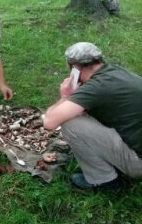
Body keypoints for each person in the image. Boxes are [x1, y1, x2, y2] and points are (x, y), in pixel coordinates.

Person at [43, 42, 142, 189]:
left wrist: (65, 96)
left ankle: (103, 179)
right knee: (82, 113)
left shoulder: (95, 87)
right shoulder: (116, 71)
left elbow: (49, 122)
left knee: (70, 124)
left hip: (138, 162)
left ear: (74, 68)